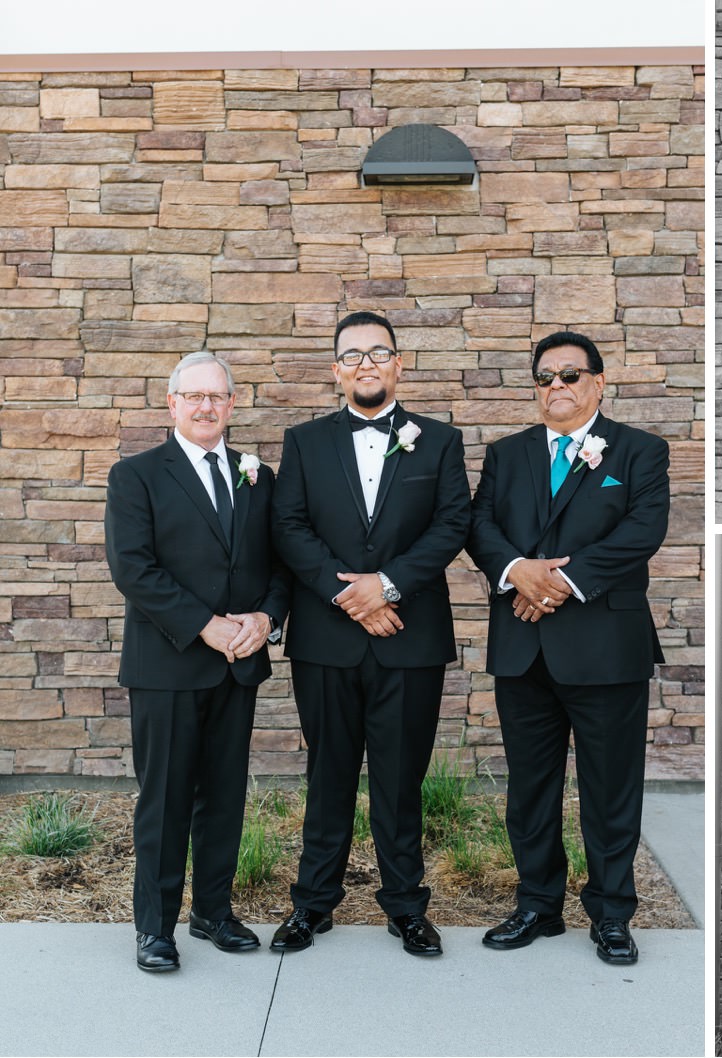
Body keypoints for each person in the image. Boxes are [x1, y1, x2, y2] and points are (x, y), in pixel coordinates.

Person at [270, 311, 470, 958]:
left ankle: (406, 908)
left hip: (409, 635)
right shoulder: (302, 441)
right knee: (327, 774)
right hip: (326, 640)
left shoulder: (439, 441)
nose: (364, 364)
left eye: (377, 353)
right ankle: (312, 905)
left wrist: (383, 586)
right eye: (351, 355)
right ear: (335, 371)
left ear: (398, 365)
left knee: (399, 777)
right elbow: (289, 527)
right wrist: (347, 594)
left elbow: (451, 526)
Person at [468, 330, 670, 966]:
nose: (556, 386)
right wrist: (516, 571)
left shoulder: (640, 451)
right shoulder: (506, 455)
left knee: (611, 789)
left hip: (606, 648)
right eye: (545, 377)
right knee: (530, 787)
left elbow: (643, 530)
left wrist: (558, 583)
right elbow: (480, 526)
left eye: (571, 375)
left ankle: (612, 914)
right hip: (523, 648)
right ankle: (537, 904)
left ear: (598, 383)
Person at [104, 351, 288, 972]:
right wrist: (205, 626)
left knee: (224, 797)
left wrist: (264, 620)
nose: (206, 406)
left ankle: (213, 913)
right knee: (165, 800)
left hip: (238, 663)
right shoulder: (137, 476)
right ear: (172, 404)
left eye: (217, 397)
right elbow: (134, 569)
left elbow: (281, 563)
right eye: (194, 396)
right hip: (168, 666)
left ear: (231, 405)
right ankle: (155, 928)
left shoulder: (257, 475)